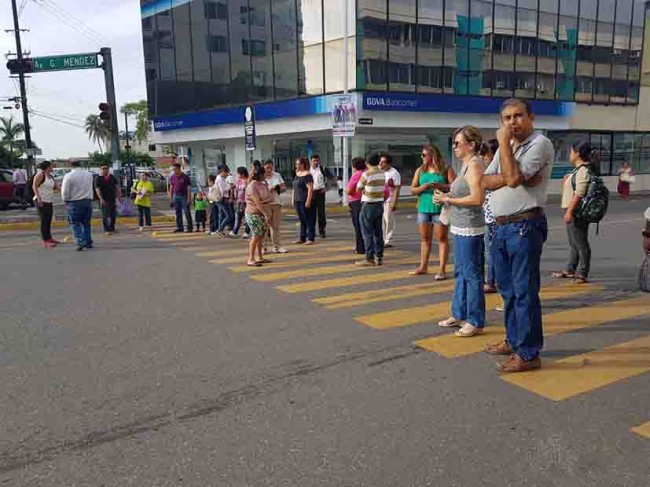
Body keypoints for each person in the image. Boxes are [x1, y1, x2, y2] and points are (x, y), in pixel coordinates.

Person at [482, 98, 554, 373]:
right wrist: (511, 175)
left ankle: (528, 353)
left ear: (531, 117)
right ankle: (513, 340)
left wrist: (507, 164)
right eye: (507, 118)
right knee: (508, 291)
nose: (512, 122)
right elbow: (485, 181)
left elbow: (511, 180)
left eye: (518, 116)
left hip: (524, 227)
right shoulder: (508, 147)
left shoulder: (539, 144)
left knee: (524, 292)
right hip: (501, 227)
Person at [435, 126, 486, 338]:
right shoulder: (465, 164)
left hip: (470, 228)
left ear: (471, 145)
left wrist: (448, 199)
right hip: (460, 225)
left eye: (457, 143)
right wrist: (445, 194)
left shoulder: (475, 165)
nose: (454, 147)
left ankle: (475, 320)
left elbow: (477, 198)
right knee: (461, 273)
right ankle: (459, 313)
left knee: (472, 274)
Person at [551, 141, 598, 284]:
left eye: (571, 151)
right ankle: (570, 269)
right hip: (572, 209)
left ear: (577, 153)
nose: (570, 154)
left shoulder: (583, 170)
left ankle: (583, 273)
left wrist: (570, 211)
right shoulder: (578, 170)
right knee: (574, 242)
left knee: (581, 243)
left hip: (577, 211)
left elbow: (580, 193)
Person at [410, 144, 456, 278]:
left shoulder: (445, 169)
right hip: (423, 208)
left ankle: (442, 269)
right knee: (425, 238)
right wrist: (423, 187)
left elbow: (454, 187)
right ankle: (423, 266)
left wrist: (440, 186)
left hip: (440, 208)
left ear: (432, 155)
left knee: (442, 238)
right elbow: (413, 189)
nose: (422, 157)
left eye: (424, 155)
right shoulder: (420, 170)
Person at [356, 153, 386, 266]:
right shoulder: (382, 173)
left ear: (367, 163)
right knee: (378, 232)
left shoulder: (367, 174)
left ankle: (369, 258)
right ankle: (379, 256)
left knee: (367, 233)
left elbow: (358, 188)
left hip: (368, 204)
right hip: (379, 204)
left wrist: (364, 190)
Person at [480, 139, 500, 294]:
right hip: (490, 216)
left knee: (491, 251)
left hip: (494, 217)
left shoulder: (495, 172)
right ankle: (493, 280)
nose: (484, 158)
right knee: (491, 251)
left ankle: (492, 281)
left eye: (486, 154)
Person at [61, 160, 95, 251]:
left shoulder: (69, 176)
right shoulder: (88, 174)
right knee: (86, 223)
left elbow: (65, 191)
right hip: (87, 201)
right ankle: (88, 241)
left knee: (75, 223)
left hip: (74, 202)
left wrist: (65, 200)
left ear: (70, 166)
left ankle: (80, 241)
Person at [245, 161, 272, 266]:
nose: (267, 175)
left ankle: (259, 257)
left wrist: (264, 204)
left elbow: (268, 197)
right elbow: (257, 203)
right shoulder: (252, 186)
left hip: (262, 213)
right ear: (260, 175)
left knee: (261, 236)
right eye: (265, 173)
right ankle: (250, 258)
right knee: (256, 235)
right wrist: (265, 213)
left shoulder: (264, 184)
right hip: (253, 214)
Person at [32, 160, 58, 248]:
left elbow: (56, 187)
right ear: (47, 167)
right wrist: (39, 198)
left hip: (49, 201)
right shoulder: (40, 175)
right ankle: (45, 240)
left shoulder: (50, 177)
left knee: (48, 219)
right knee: (44, 220)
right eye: (51, 166)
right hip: (41, 201)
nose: (52, 167)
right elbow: (34, 186)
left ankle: (49, 238)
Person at [264, 159, 287, 253]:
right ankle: (263, 247)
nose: (269, 170)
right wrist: (270, 188)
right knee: (264, 227)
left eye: (271, 167)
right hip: (265, 204)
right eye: (267, 168)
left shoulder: (277, 175)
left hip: (276, 203)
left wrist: (279, 188)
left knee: (275, 227)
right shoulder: (261, 177)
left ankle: (276, 246)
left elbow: (284, 187)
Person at [380, 152, 401, 248]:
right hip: (379, 199)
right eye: (380, 162)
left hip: (389, 199)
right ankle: (382, 238)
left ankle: (388, 239)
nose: (381, 164)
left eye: (383, 162)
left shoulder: (394, 173)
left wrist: (394, 202)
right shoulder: (379, 171)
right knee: (381, 220)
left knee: (388, 220)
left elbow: (397, 188)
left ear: (388, 163)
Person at [292, 157, 316, 245]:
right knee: (302, 219)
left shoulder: (307, 175)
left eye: (299, 164)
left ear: (303, 165)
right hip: (297, 200)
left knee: (309, 219)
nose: (297, 166)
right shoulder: (296, 174)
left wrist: (308, 200)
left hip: (305, 199)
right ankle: (302, 237)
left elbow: (310, 188)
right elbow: (294, 188)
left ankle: (310, 237)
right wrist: (293, 198)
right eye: (296, 164)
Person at [348, 157, 367, 255]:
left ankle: (360, 247)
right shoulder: (367, 173)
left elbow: (349, 189)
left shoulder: (357, 175)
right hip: (365, 200)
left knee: (358, 225)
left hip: (356, 201)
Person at [94, 165, 121, 235]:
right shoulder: (98, 178)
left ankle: (112, 228)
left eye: (107, 168)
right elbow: (97, 189)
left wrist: (119, 196)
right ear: (100, 170)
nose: (105, 170)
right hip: (104, 199)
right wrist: (101, 198)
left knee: (113, 214)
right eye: (103, 169)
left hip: (112, 198)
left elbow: (116, 186)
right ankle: (106, 229)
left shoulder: (111, 177)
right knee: (105, 215)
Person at [168, 163, 193, 233]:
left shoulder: (185, 177)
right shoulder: (172, 177)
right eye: (173, 169)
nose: (174, 171)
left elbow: (189, 188)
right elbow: (171, 187)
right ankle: (180, 227)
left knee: (187, 212)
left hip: (184, 196)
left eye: (175, 169)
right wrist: (171, 198)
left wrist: (189, 198)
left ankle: (189, 227)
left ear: (179, 169)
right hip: (176, 196)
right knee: (178, 212)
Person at [309, 154, 327, 238]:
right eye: (314, 161)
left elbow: (331, 178)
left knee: (321, 213)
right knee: (311, 213)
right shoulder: (307, 170)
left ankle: (322, 230)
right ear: (311, 161)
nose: (316, 162)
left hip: (320, 193)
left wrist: (326, 188)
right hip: (311, 193)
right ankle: (311, 231)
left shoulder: (322, 169)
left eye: (317, 160)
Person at [215, 164, 234, 236]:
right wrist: (230, 187)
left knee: (222, 214)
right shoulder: (220, 179)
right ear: (223, 172)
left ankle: (220, 229)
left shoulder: (221, 178)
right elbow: (222, 190)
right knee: (229, 215)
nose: (227, 175)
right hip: (221, 199)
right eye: (226, 173)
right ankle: (220, 229)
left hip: (221, 199)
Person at [232, 166, 250, 238]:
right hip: (239, 201)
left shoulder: (248, 180)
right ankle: (235, 231)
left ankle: (247, 232)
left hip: (246, 201)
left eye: (238, 173)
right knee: (238, 216)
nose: (237, 175)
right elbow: (236, 189)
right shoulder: (238, 181)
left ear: (242, 174)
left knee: (247, 217)